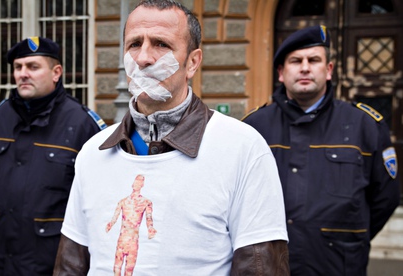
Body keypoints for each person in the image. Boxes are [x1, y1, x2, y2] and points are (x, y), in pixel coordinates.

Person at [53, 0, 289, 275]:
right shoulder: (93, 153)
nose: (144, 57)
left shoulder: (242, 148)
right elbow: (71, 264)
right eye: (134, 44)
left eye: (161, 44)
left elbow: (261, 267)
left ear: (192, 62)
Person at [242, 25, 400, 275]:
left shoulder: (364, 125)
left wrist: (348, 235)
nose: (305, 67)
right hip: (271, 266)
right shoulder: (254, 127)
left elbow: (385, 198)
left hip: (338, 264)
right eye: (295, 61)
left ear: (328, 70)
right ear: (281, 73)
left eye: (313, 60)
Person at [0, 36, 106, 275]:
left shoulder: (82, 123)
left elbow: (98, 198)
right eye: (18, 67)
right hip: (0, 259)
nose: (22, 74)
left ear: (56, 72)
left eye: (33, 66)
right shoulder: (1, 116)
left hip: (50, 261)